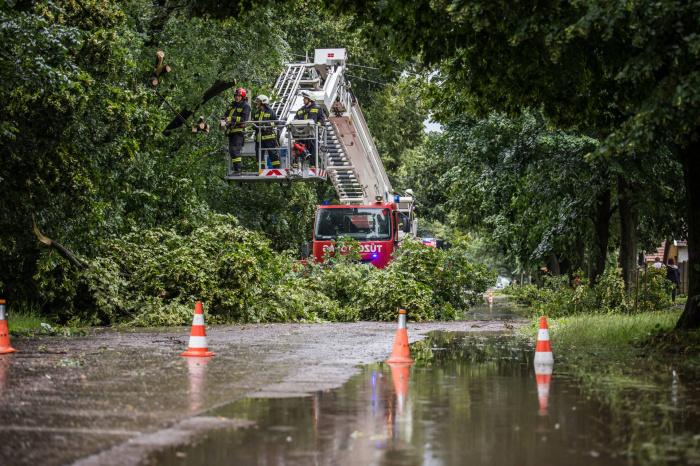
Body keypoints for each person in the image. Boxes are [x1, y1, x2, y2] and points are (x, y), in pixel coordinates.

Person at [294, 91, 324, 167]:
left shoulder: (317, 108)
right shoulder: (300, 110)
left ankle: (313, 165)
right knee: (297, 146)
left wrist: (317, 124)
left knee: (313, 148)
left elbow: (321, 119)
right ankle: (297, 163)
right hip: (302, 134)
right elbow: (295, 119)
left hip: (313, 133)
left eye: (305, 98)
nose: (303, 100)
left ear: (310, 99)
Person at [225, 87, 250, 174]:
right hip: (231, 131)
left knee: (235, 150)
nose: (236, 97)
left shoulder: (245, 106)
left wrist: (232, 118)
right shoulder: (232, 105)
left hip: (239, 132)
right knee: (232, 151)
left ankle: (238, 170)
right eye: (236, 95)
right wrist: (223, 120)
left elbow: (244, 119)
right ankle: (236, 170)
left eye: (239, 96)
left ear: (242, 97)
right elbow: (225, 116)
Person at [252, 95, 280, 169]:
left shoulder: (271, 112)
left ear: (263, 102)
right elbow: (253, 123)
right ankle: (261, 170)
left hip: (269, 138)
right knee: (259, 156)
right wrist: (254, 126)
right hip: (259, 138)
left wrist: (268, 125)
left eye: (258, 102)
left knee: (273, 154)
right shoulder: (257, 113)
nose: (257, 103)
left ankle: (276, 169)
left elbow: (276, 122)